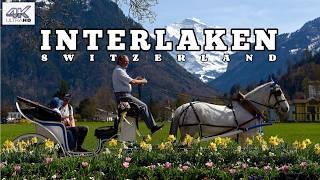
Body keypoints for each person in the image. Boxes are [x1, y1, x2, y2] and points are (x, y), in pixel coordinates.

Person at [112, 55, 163, 134]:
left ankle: (150, 127)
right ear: (119, 61)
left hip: (124, 96)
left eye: (128, 62)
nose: (127, 63)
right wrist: (143, 81)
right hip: (124, 96)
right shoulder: (119, 71)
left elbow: (130, 81)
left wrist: (136, 79)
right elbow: (132, 82)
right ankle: (153, 127)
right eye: (125, 62)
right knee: (143, 106)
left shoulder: (120, 70)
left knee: (141, 108)